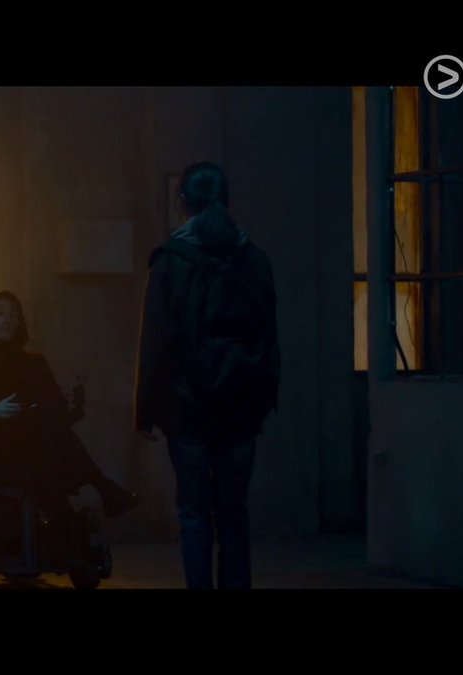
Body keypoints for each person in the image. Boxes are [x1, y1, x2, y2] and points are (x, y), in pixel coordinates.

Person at [134, 161, 280, 590]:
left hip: (187, 408)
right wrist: (266, 395)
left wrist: (145, 411)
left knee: (195, 513)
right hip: (242, 405)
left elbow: (155, 341)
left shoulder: (170, 260)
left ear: (182, 204)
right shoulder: (254, 259)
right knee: (234, 513)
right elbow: (269, 335)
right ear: (226, 201)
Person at [0, 290, 140, 529]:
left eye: (14, 315)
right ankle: (101, 487)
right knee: (49, 434)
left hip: (30, 445)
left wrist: (58, 406)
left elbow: (56, 406)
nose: (8, 320)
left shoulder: (33, 363)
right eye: (0, 314)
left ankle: (71, 520)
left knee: (50, 429)